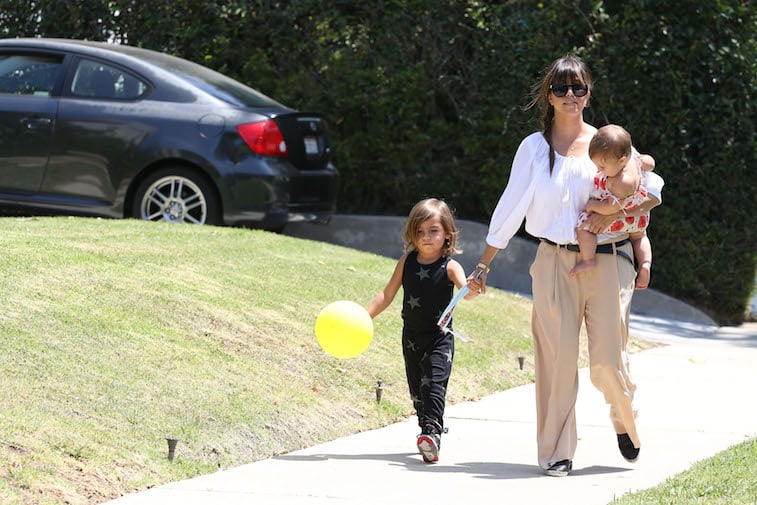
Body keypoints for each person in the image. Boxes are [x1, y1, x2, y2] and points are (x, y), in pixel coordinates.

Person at [467, 54, 664, 477]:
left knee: (606, 363)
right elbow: (511, 207)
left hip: (610, 260)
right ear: (549, 96)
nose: (570, 95)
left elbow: (651, 189)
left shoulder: (608, 143)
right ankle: (557, 451)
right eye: (561, 88)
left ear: (588, 93)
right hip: (552, 260)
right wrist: (483, 265)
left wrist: (613, 214)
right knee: (555, 362)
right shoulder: (534, 148)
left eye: (578, 87)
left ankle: (624, 421)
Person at [367, 198, 474, 464]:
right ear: (412, 234)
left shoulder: (450, 266)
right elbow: (387, 294)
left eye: (433, 231)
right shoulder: (407, 262)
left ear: (447, 234)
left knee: (433, 385)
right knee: (417, 391)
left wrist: (473, 288)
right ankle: (425, 426)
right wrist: (365, 317)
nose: (426, 237)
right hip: (412, 338)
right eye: (420, 232)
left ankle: (431, 433)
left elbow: (466, 292)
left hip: (439, 340)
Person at [569, 124, 657, 289]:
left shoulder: (619, 182)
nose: (598, 169)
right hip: (639, 217)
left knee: (583, 228)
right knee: (639, 237)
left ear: (622, 160)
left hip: (619, 217)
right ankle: (645, 264)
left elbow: (611, 208)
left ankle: (588, 260)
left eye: (602, 167)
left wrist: (592, 205)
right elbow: (650, 163)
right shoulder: (635, 158)